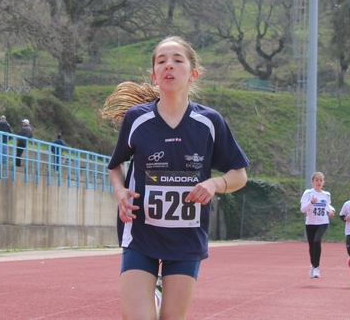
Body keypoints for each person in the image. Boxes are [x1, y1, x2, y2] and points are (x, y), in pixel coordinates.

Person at [103, 36, 249, 320]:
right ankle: (151, 294)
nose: (169, 65)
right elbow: (115, 165)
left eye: (177, 60)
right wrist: (120, 190)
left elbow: (239, 175)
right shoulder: (137, 120)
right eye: (161, 61)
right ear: (154, 75)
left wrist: (215, 183)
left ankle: (157, 295)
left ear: (193, 73)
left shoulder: (210, 123)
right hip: (141, 232)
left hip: (186, 238)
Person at [300, 171, 335, 278]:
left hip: (322, 222)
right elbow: (303, 209)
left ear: (323, 182)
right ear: (312, 182)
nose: (319, 182)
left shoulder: (326, 194)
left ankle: (317, 267)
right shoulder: (308, 193)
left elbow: (328, 206)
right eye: (316, 180)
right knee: (311, 247)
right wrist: (311, 202)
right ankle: (313, 265)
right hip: (310, 223)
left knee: (317, 241)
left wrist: (332, 211)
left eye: (321, 180)